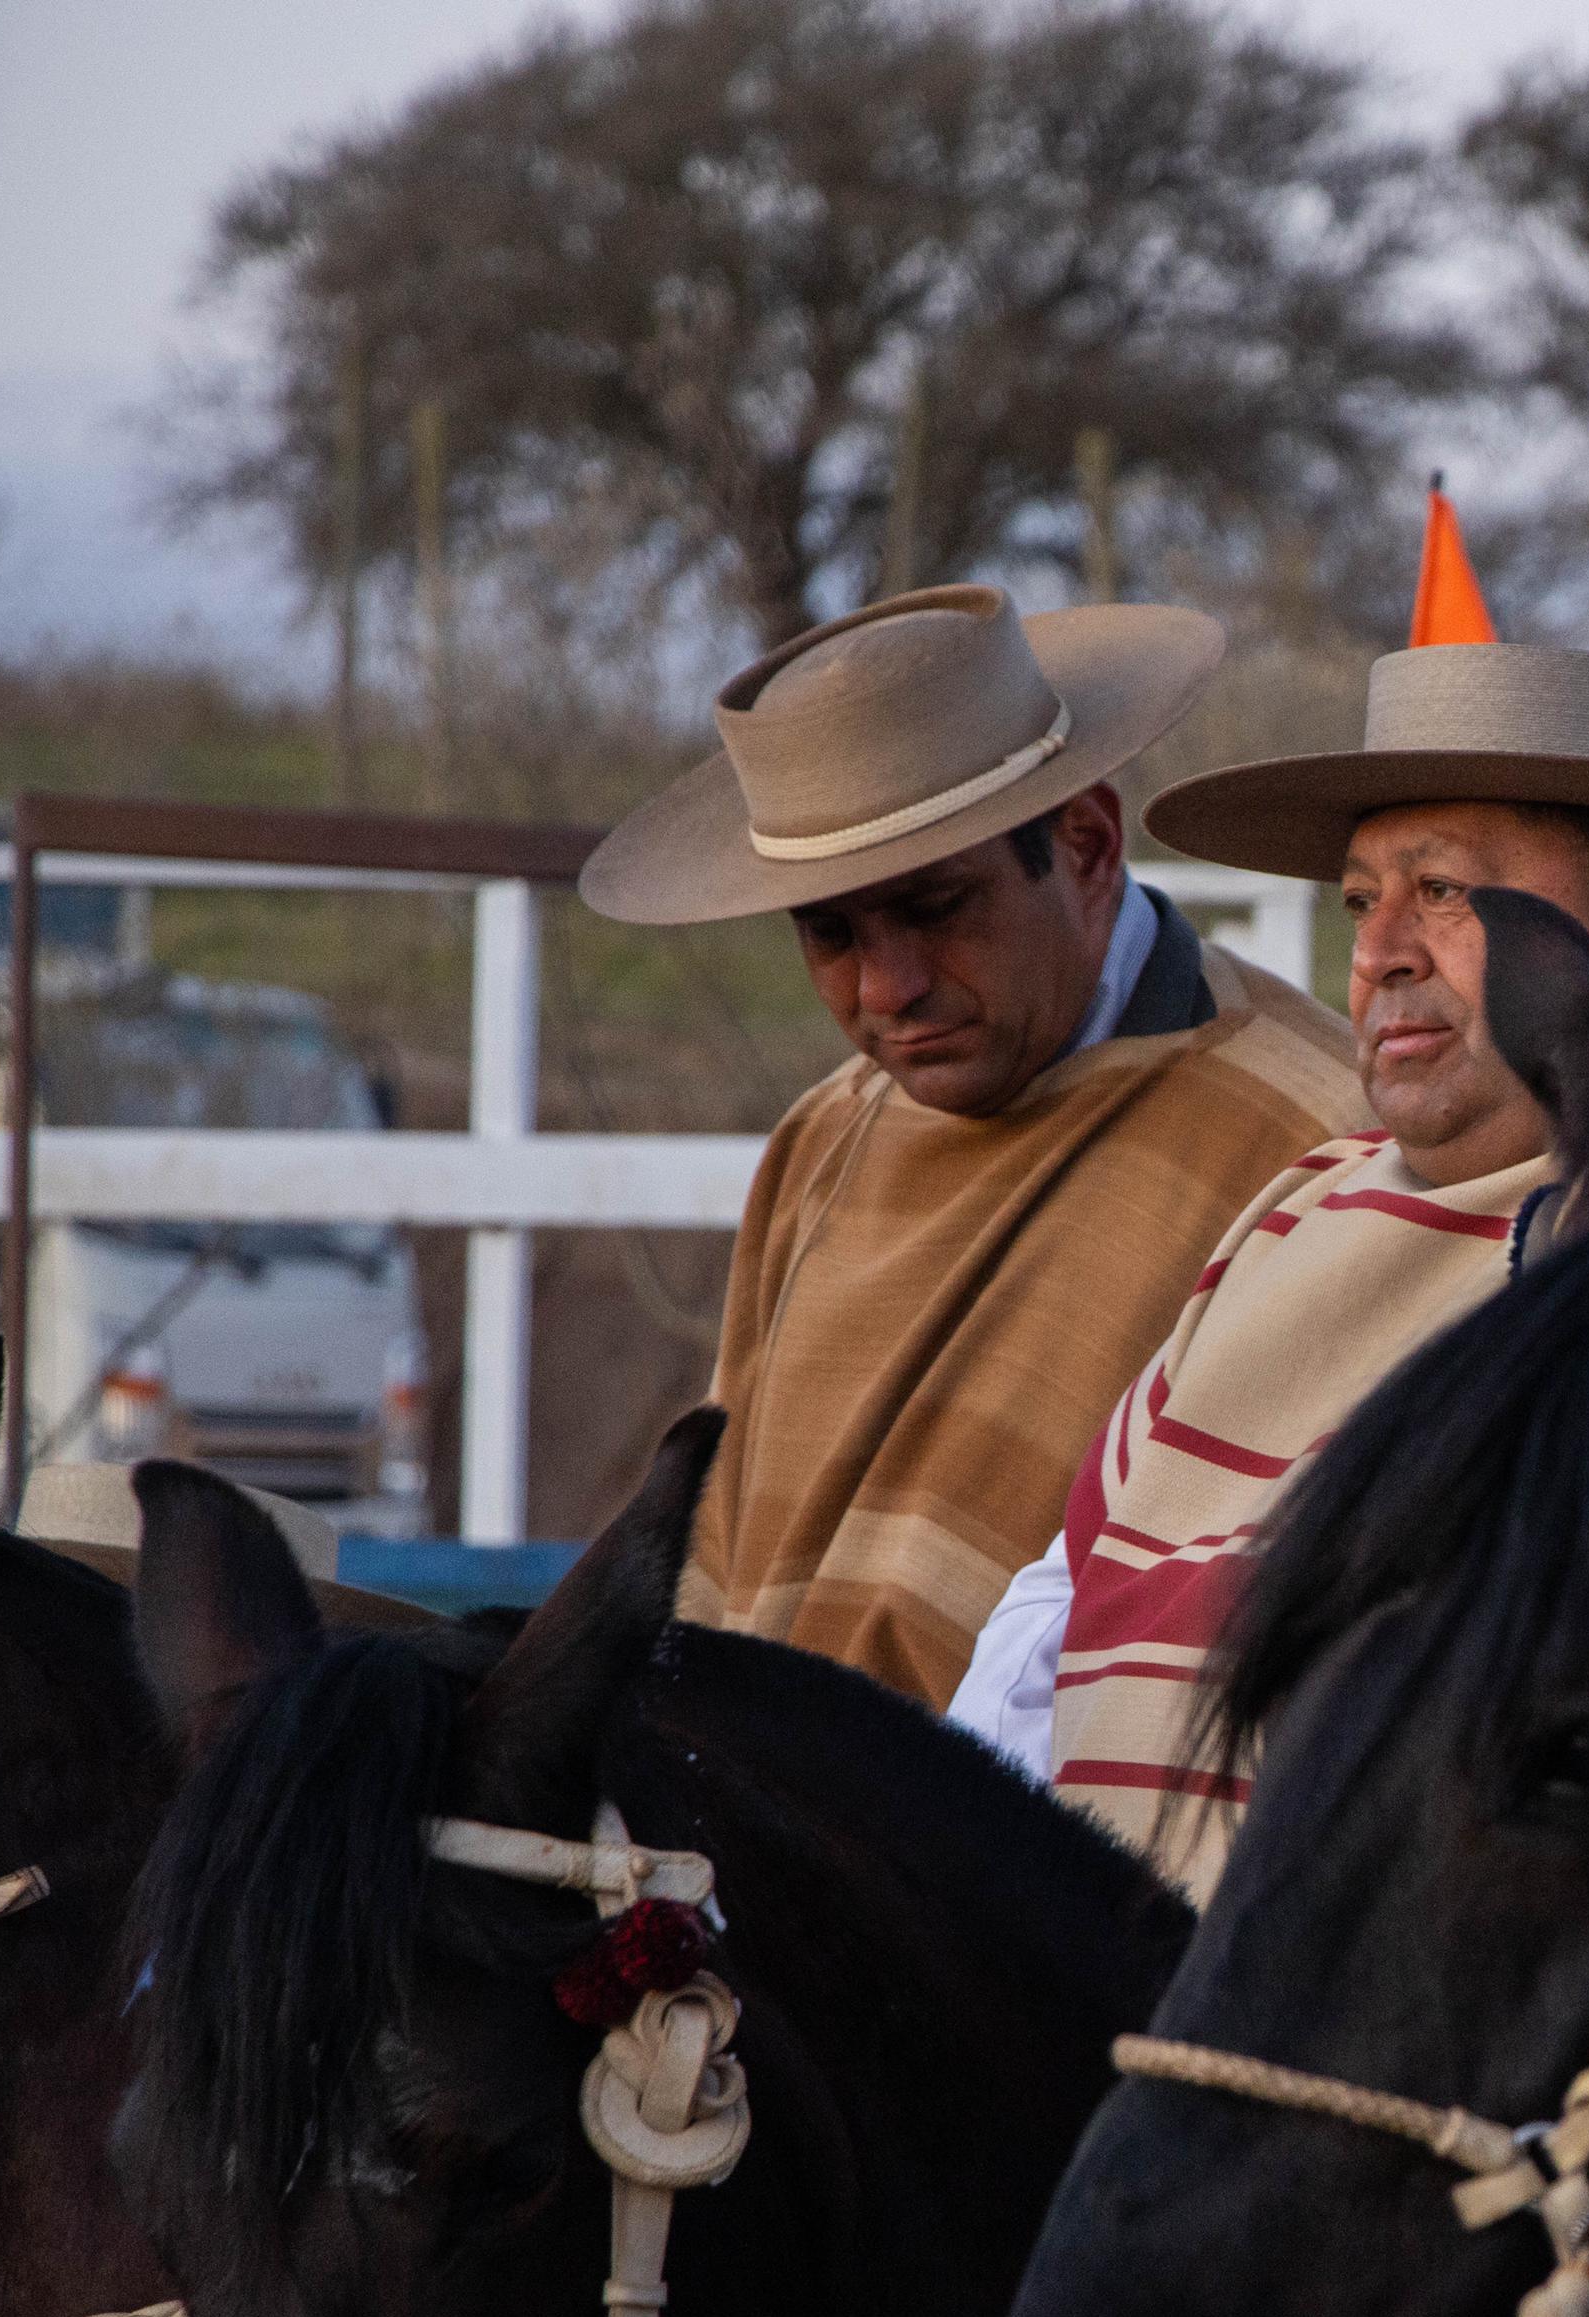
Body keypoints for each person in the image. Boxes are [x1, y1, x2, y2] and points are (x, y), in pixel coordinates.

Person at [943, 642, 1589, 1893]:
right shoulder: (1296, 1213)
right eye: (1363, 903)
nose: (1381, 954)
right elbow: (1050, 1621)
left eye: (1449, 894)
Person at [581, 585, 1368, 1708]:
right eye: (831, 934)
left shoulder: (1317, 1141)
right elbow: (715, 1556)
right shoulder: (824, 1138)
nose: (885, 988)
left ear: (1087, 846)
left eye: (939, 906)